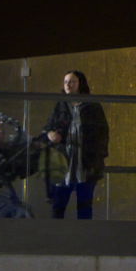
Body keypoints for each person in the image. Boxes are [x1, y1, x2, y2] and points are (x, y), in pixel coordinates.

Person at [42, 70, 108, 219]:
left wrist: (97, 156)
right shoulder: (61, 105)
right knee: (58, 206)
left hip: (85, 164)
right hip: (64, 162)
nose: (68, 85)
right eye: (66, 82)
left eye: (72, 82)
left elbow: (102, 133)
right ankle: (57, 238)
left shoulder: (92, 106)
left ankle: (84, 238)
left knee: (84, 208)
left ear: (80, 84)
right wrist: (50, 134)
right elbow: (48, 127)